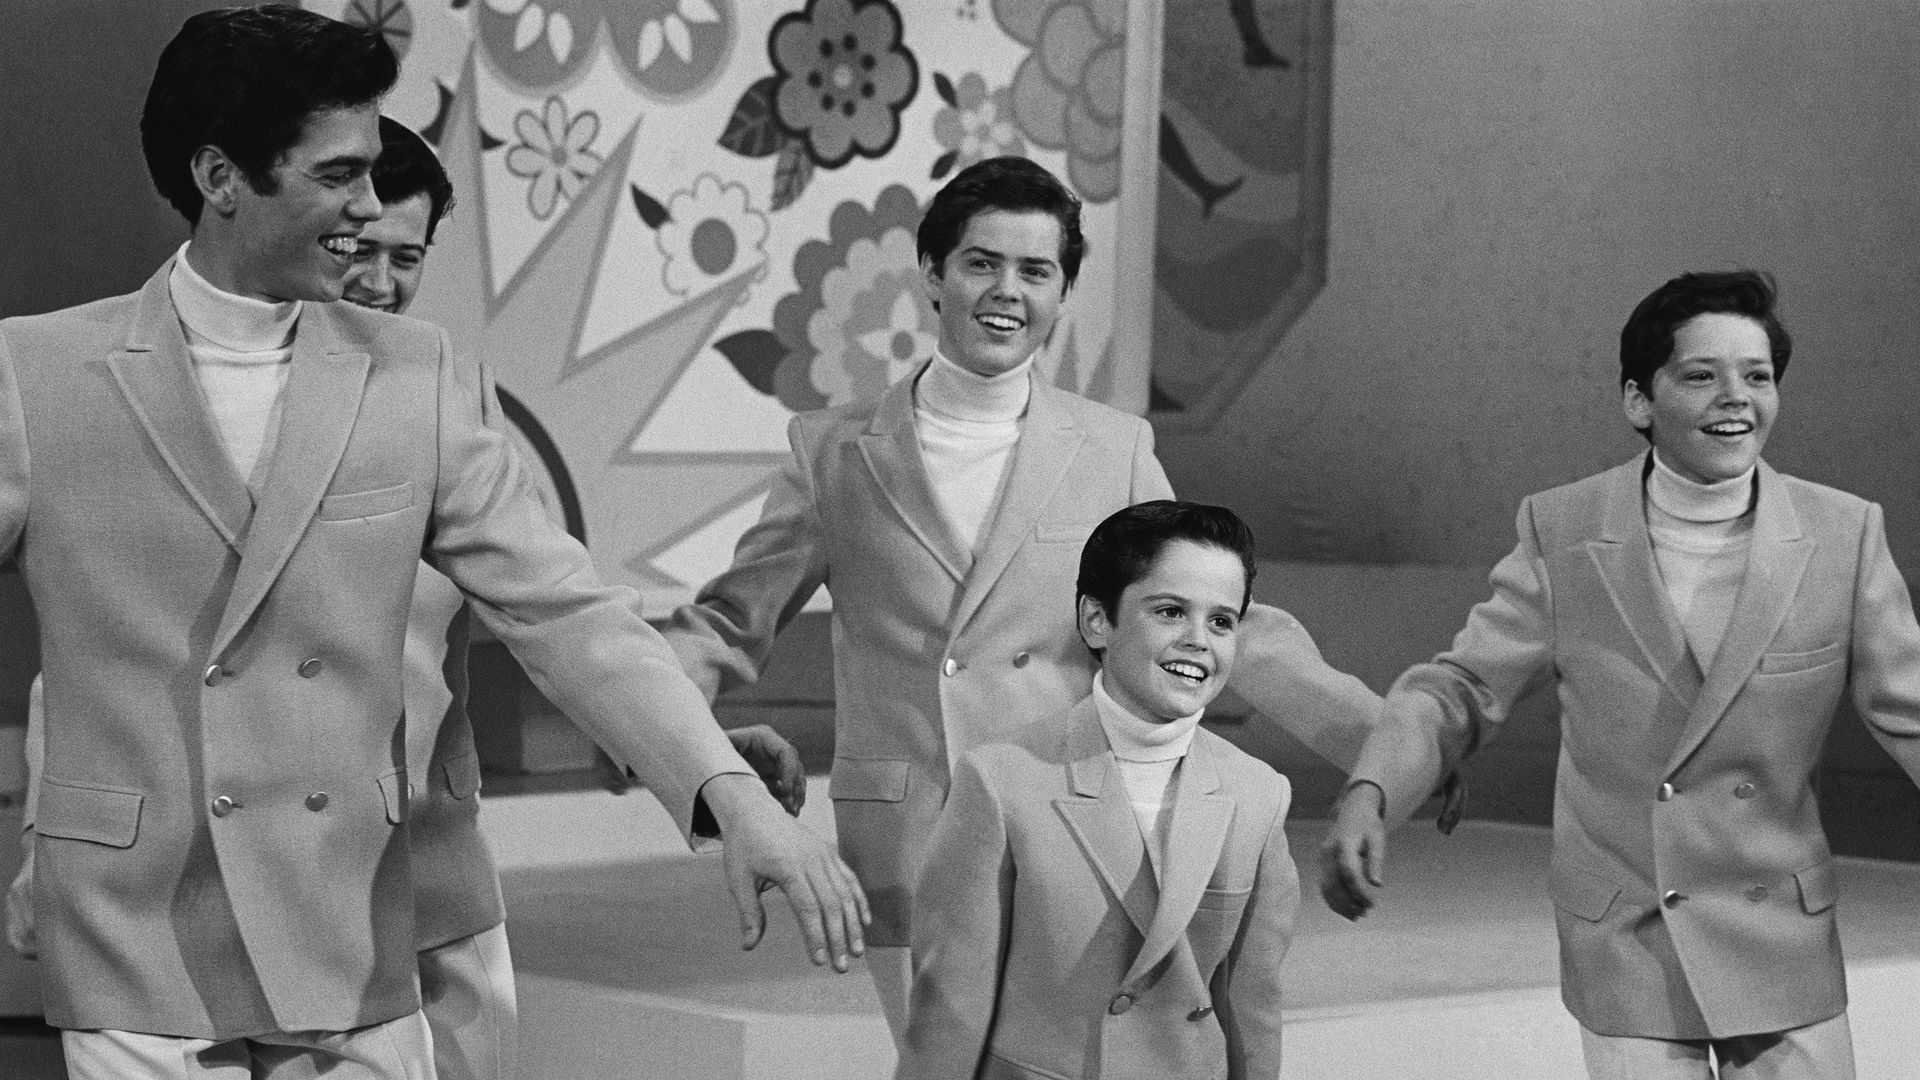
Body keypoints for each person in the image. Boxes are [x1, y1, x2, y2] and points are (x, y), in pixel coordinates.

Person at [0, 8, 862, 1077]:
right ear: (222, 177)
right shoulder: (33, 378)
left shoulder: (417, 374)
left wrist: (730, 797)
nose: (370, 206)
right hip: (137, 933)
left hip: (354, 915)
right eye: (338, 175)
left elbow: (568, 615)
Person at [661, 154, 1377, 1038]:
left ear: (1062, 290)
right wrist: (647, 728)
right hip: (909, 841)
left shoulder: (1112, 449)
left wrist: (1388, 745)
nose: (1008, 291)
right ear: (933, 275)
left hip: (1072, 826)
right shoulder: (833, 451)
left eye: (1036, 270)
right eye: (981, 263)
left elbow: (1225, 620)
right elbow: (730, 623)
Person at [1320, 270, 1920, 1079]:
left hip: (1781, 938)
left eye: (1757, 377)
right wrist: (1373, 790)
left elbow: (1912, 711)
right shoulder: (1563, 530)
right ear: (1639, 400)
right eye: (1701, 376)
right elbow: (1459, 690)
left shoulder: (1843, 534)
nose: (1735, 399)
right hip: (1630, 937)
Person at [898, 501, 1297, 1079]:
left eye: (1221, 621)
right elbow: (948, 1012)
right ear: (1096, 620)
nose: (1198, 640)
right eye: (1169, 611)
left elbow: (1252, 1013)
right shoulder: (1000, 783)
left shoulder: (1260, 795)